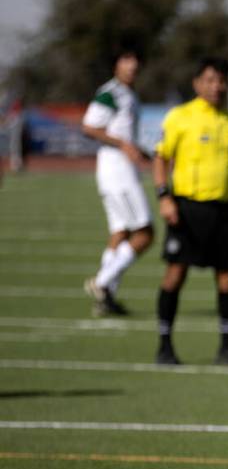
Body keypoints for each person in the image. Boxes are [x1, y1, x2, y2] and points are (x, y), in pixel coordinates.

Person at [152, 57, 228, 366]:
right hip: (187, 208)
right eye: (211, 80)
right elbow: (161, 158)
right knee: (175, 274)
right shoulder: (180, 117)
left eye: (222, 81)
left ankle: (226, 347)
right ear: (197, 83)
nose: (217, 86)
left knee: (227, 278)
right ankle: (165, 345)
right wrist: (164, 197)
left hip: (225, 210)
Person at [81, 50, 154, 316]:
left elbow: (121, 131)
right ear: (116, 65)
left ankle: (106, 299)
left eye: (135, 65)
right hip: (116, 169)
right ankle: (101, 283)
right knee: (145, 233)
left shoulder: (129, 94)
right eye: (126, 63)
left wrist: (139, 150)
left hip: (119, 167)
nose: (131, 69)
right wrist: (123, 145)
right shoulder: (110, 92)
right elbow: (89, 126)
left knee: (120, 233)